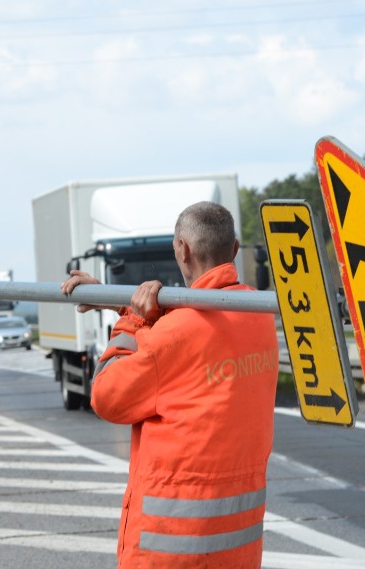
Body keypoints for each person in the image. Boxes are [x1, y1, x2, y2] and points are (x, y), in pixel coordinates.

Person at [61, 201, 279, 568]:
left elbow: (105, 394)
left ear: (183, 249)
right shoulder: (257, 315)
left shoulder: (173, 334)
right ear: (236, 249)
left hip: (169, 551)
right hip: (236, 552)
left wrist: (131, 323)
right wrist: (119, 304)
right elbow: (198, 333)